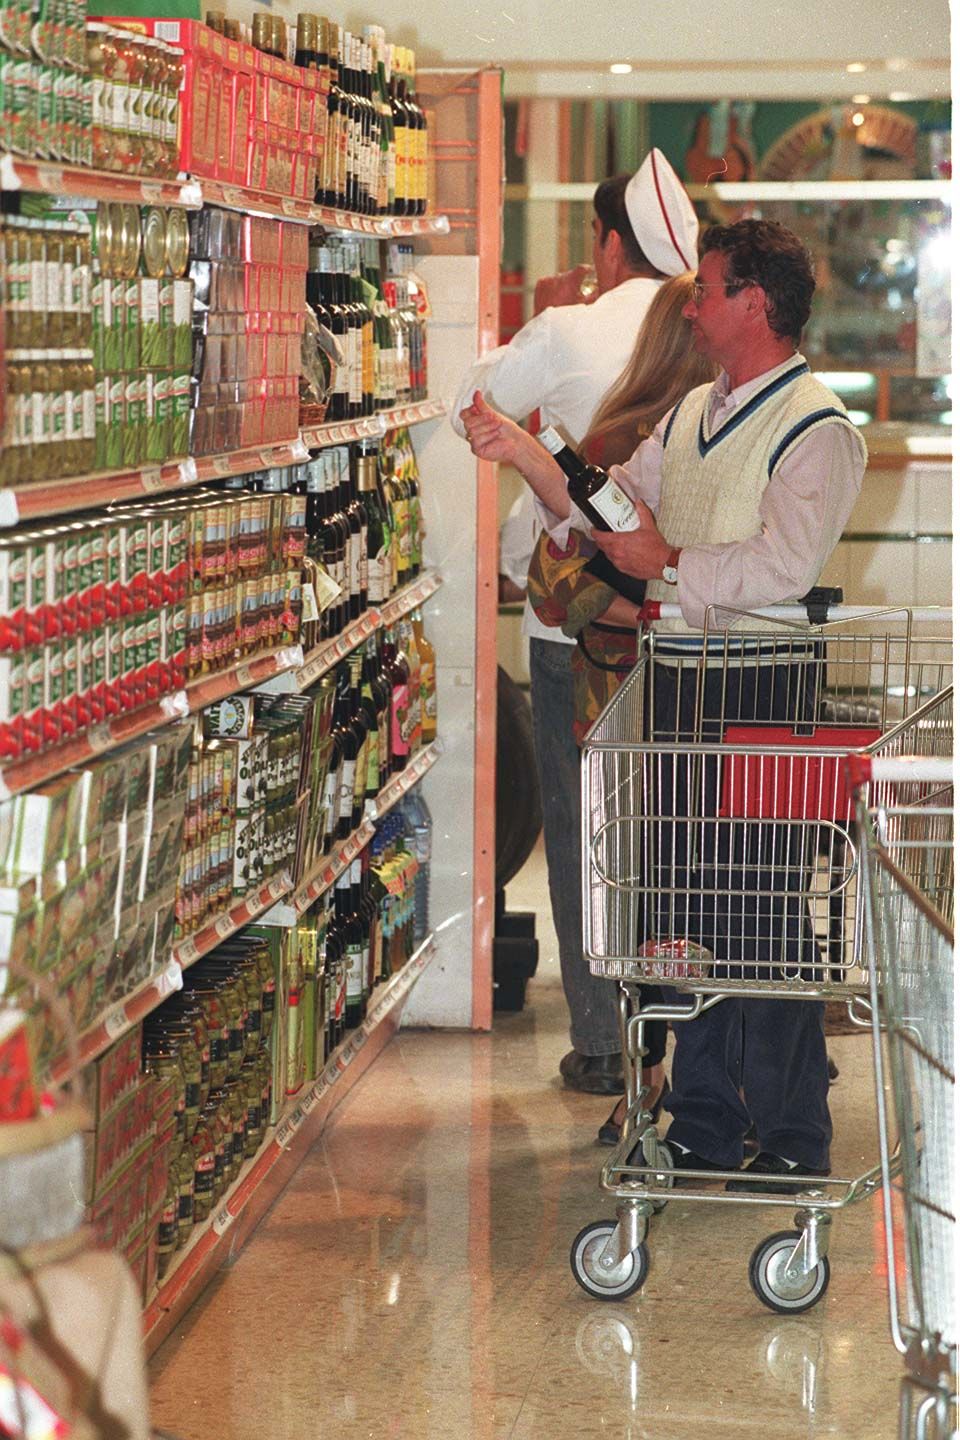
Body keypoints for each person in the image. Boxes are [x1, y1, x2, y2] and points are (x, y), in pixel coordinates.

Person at [460, 219, 867, 1193]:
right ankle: (705, 1119)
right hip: (678, 679)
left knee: (762, 905)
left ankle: (792, 1129)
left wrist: (669, 564)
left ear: (753, 306)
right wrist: (525, 455)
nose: (693, 304)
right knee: (688, 900)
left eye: (710, 289)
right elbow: (617, 502)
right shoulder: (690, 411)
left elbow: (785, 562)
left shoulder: (820, 428)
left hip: (767, 684)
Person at [453, 149, 699, 1097]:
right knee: (672, 824)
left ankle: (600, 1036)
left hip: (576, 629)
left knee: (581, 823)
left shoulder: (568, 326)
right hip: (680, 624)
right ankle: (678, 1020)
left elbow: (466, 404)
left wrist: (537, 323)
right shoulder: (699, 327)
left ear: (607, 241)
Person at [524, 272, 717, 1143]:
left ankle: (631, 1062)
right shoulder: (652, 440)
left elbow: (561, 585)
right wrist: (662, 577)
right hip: (678, 696)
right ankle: (674, 1066)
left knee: (620, 880)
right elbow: (582, 582)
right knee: (684, 889)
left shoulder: (651, 434)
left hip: (620, 699)